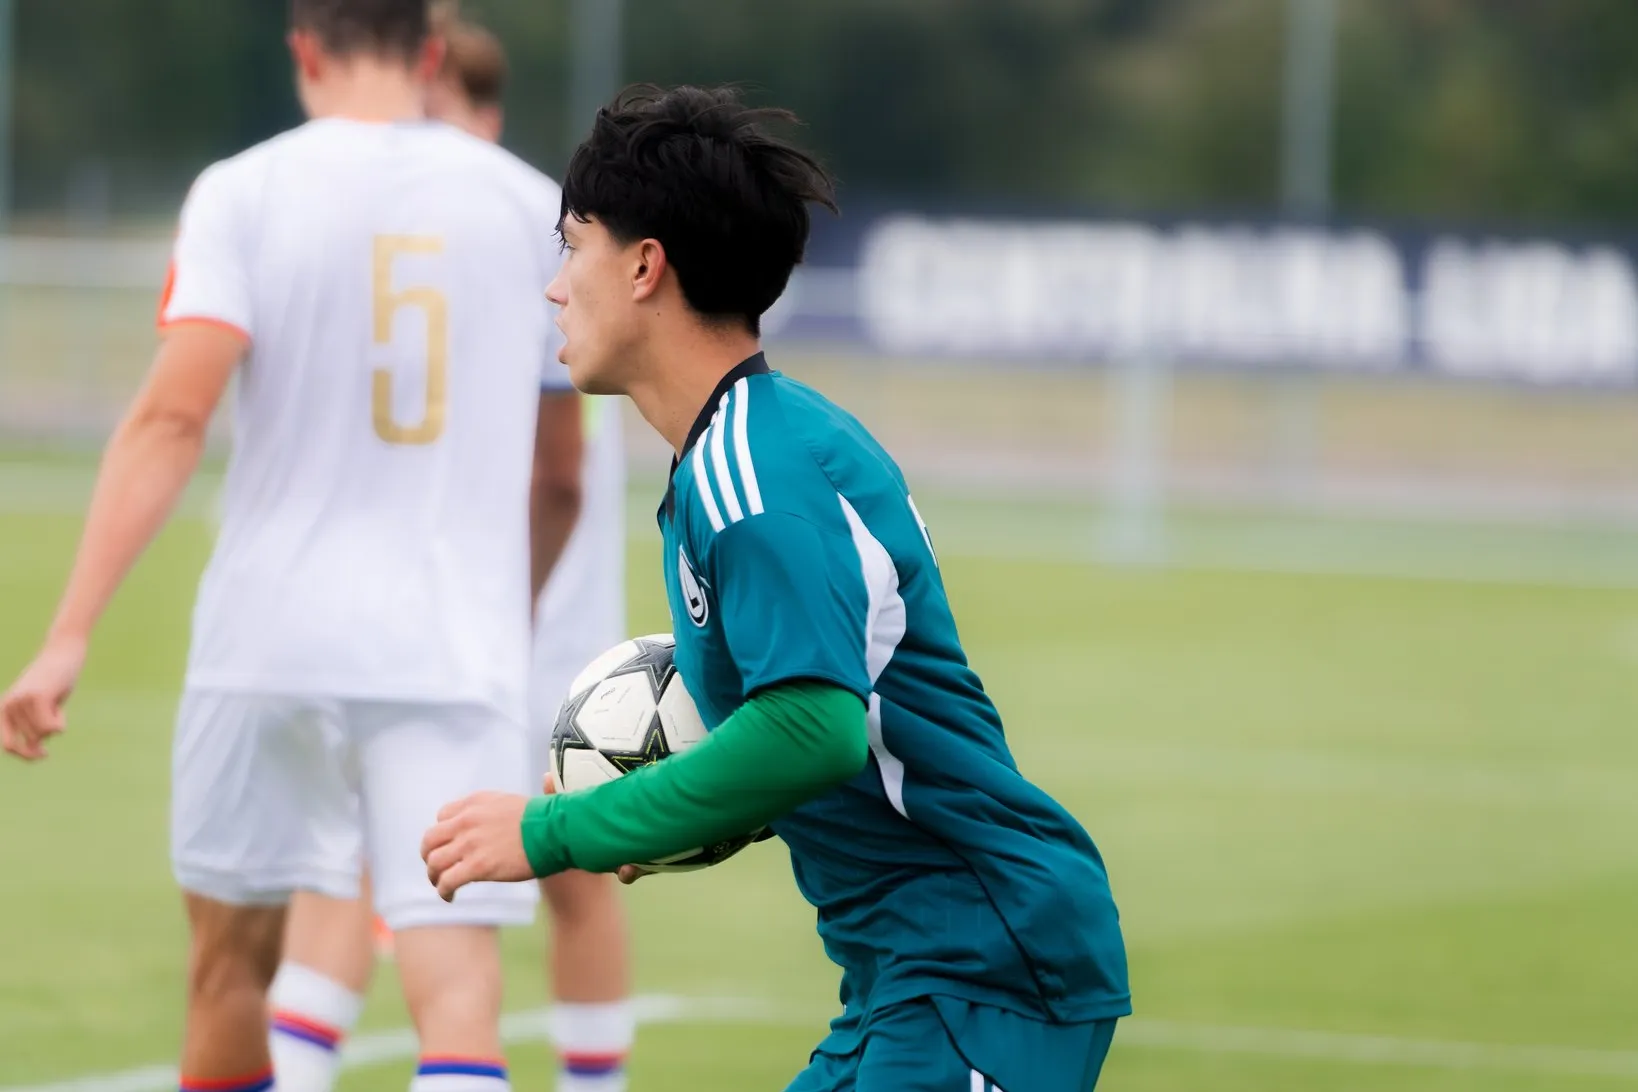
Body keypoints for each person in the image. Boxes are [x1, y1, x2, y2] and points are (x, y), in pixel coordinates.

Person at [421, 85, 1131, 1092]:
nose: (554, 287)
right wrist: (656, 807)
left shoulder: (753, 473)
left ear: (644, 266)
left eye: (572, 246)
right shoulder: (737, 453)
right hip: (908, 970)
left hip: (984, 963)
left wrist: (550, 833)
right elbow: (832, 725)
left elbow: (814, 728)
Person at [2, 3, 572, 1091]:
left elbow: (172, 419)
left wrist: (68, 634)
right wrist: (513, 614)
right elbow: (561, 478)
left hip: (266, 640)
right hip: (452, 648)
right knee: (457, 994)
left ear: (304, 49)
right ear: (431, 54)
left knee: (228, 978)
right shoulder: (527, 206)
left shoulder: (244, 190)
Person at [269, 12, 636, 1092]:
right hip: (443, 622)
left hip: (537, 621)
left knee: (564, 872)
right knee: (358, 863)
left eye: (439, 115)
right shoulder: (425, 243)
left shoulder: (534, 241)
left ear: (483, 114)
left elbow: (559, 473)